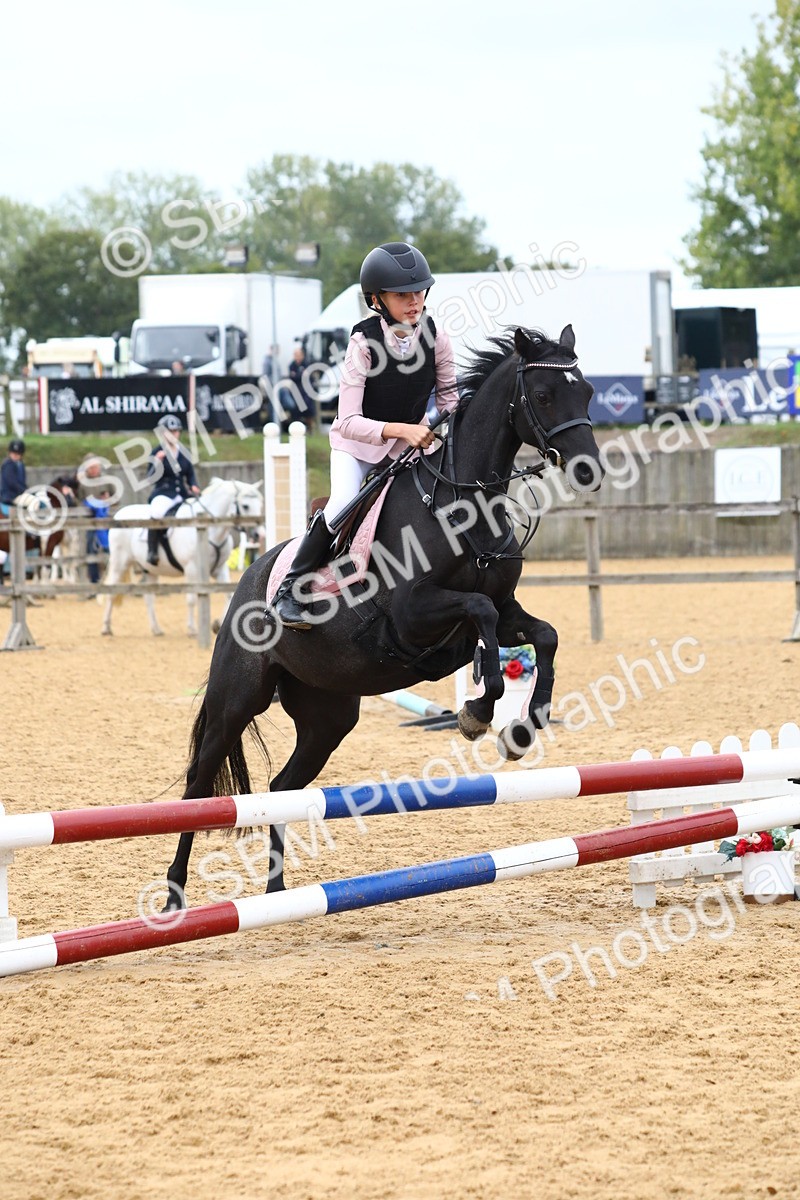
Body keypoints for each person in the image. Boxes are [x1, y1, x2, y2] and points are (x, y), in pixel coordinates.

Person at [273, 241, 459, 630]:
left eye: (419, 291)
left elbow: (449, 400)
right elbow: (346, 421)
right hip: (356, 449)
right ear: (377, 300)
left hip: (406, 451)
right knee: (342, 501)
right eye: (402, 294)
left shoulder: (437, 337)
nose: (414, 301)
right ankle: (289, 590)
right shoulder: (362, 344)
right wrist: (403, 429)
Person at [145, 415, 201, 566]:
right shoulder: (157, 452)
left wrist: (194, 485)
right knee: (156, 512)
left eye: (176, 431)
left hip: (182, 494)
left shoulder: (184, 452)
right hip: (164, 493)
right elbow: (150, 478)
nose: (174, 434)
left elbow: (190, 474)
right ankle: (152, 551)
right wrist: (157, 462)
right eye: (170, 431)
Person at [0, 439, 27, 515]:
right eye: (13, 453)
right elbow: (12, 483)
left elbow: (22, 482)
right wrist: (25, 490)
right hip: (10, 496)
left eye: (18, 453)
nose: (15, 455)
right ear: (9, 453)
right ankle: (30, 523)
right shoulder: (8, 465)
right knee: (35, 502)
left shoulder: (20, 464)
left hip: (18, 494)